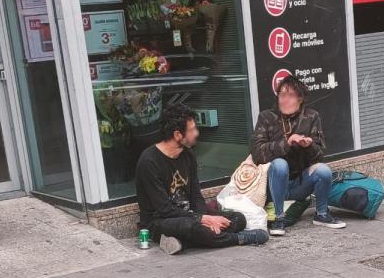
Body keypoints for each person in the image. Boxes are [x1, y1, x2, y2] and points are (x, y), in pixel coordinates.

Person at [136, 104, 268, 255]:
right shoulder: (149, 162)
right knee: (190, 227)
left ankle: (183, 241)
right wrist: (201, 219)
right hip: (160, 221)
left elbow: (196, 195)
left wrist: (207, 217)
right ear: (178, 135)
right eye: (192, 130)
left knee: (238, 218)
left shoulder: (188, 154)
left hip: (190, 214)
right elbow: (164, 209)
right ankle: (239, 238)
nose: (197, 133)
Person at [251, 76, 346, 236]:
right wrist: (287, 143)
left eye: (290, 95)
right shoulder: (266, 117)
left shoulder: (311, 117)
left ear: (300, 98)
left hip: (298, 184)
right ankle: (279, 218)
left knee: (323, 170)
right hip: (272, 185)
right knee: (280, 164)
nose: (285, 100)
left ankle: (321, 214)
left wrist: (308, 146)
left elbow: (319, 155)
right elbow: (257, 154)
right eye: (282, 95)